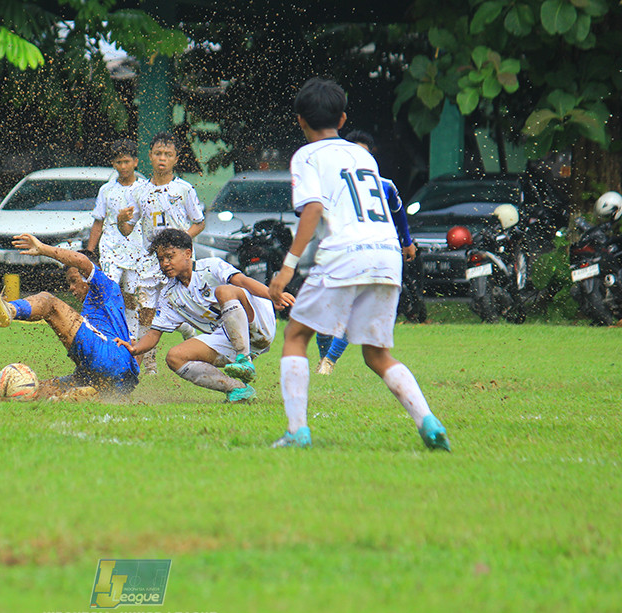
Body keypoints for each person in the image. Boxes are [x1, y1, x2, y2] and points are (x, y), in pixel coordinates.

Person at [268, 77, 449, 451]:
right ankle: (428, 421)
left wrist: (287, 268)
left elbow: (314, 209)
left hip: (345, 252)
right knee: (377, 354)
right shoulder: (362, 154)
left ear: (299, 120)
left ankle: (297, 431)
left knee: (295, 336)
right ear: (344, 118)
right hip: (386, 255)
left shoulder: (306, 156)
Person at [118, 228, 294, 403]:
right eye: (161, 259)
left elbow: (242, 281)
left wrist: (273, 294)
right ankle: (237, 389)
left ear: (188, 253)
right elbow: (154, 334)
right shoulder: (169, 295)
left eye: (170, 256)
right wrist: (135, 349)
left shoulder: (211, 266)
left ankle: (244, 360)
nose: (165, 263)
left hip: (258, 323)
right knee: (175, 357)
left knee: (224, 291)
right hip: (230, 337)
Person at [0, 233, 138, 399]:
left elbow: (81, 261)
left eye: (74, 280)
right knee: (37, 389)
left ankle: (10, 309)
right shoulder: (107, 311)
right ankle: (81, 394)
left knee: (49, 303)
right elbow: (134, 351)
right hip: (116, 374)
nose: (71, 288)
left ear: (88, 276)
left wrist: (42, 249)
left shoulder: (106, 286)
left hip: (107, 354)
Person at [314, 129, 419, 375]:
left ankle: (328, 362)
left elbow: (398, 212)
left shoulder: (384, 185)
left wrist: (406, 241)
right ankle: (324, 360)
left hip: (370, 254)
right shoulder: (336, 185)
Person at [118, 132, 205, 373]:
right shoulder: (140, 191)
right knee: (146, 312)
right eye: (158, 154)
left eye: (168, 154)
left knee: (181, 308)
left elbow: (199, 222)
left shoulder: (184, 189)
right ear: (150, 157)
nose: (162, 159)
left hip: (178, 263)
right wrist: (120, 220)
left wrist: (182, 244)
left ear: (176, 159)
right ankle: (149, 367)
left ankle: (195, 340)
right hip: (149, 262)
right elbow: (127, 229)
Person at [86, 139, 146, 345]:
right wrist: (90, 251)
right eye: (119, 162)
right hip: (110, 248)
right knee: (110, 291)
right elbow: (98, 221)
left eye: (127, 161)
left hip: (137, 250)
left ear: (136, 162)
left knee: (132, 296)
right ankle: (109, 335)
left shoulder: (144, 189)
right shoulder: (106, 190)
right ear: (113, 164)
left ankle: (132, 340)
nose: (123, 166)